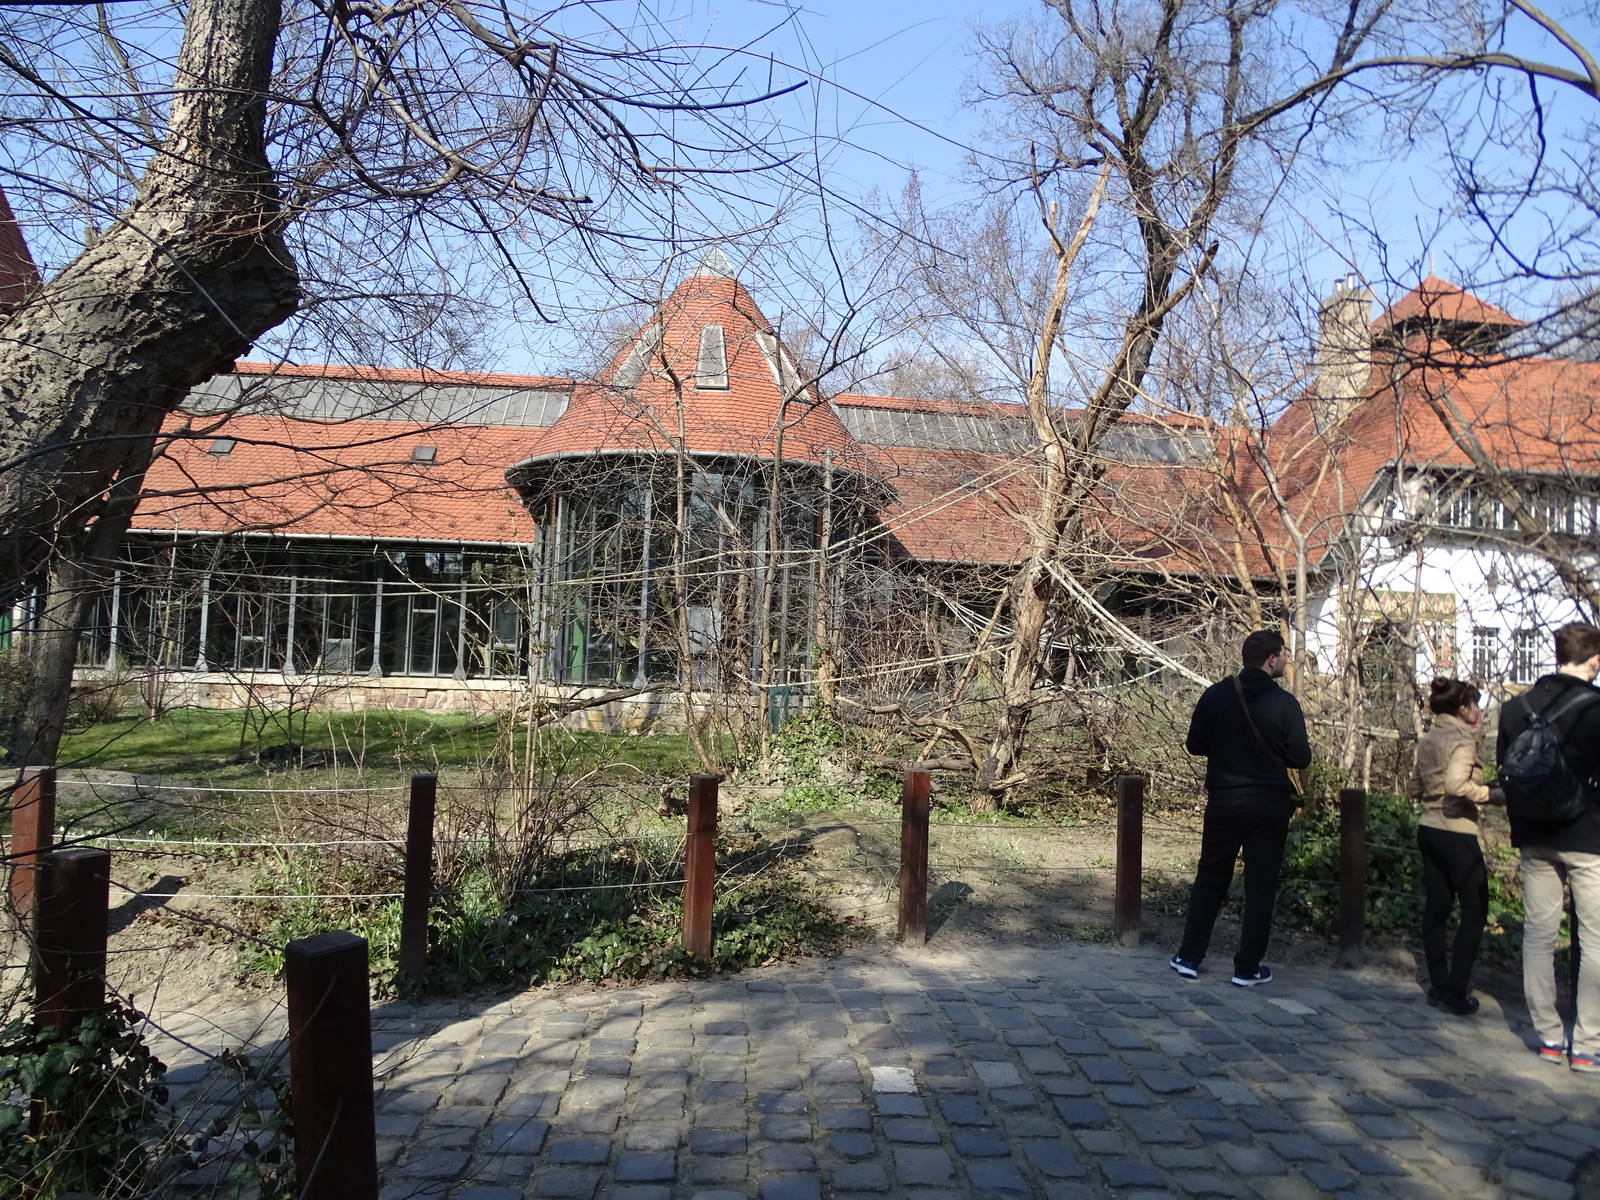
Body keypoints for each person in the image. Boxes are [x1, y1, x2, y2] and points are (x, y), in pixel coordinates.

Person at [1170, 629, 1311, 987]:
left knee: (1211, 877)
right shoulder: (1284, 704)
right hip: (1269, 805)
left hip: (1225, 800)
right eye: (1283, 654)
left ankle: (1189, 956)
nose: (1286, 660)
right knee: (1260, 886)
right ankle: (1247, 967)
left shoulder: (1216, 694)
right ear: (1271, 659)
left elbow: (1195, 744)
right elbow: (1300, 757)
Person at [1496, 622, 1600, 1072]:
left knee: (1538, 935)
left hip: (1534, 835)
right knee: (1594, 939)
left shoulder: (1513, 709)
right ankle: (1587, 1044)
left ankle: (1550, 1038)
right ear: (1595, 660)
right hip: (1588, 836)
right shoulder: (1597, 709)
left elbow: (1507, 770)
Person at [1411, 677, 1497, 1016]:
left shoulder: (1428, 739)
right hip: (1457, 831)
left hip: (1428, 828)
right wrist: (1489, 794)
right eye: (1474, 704)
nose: (1478, 711)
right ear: (1463, 709)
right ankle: (1457, 991)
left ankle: (1437, 984)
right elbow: (1456, 783)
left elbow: (1416, 785)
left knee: (1437, 908)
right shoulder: (1463, 741)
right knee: (1475, 909)